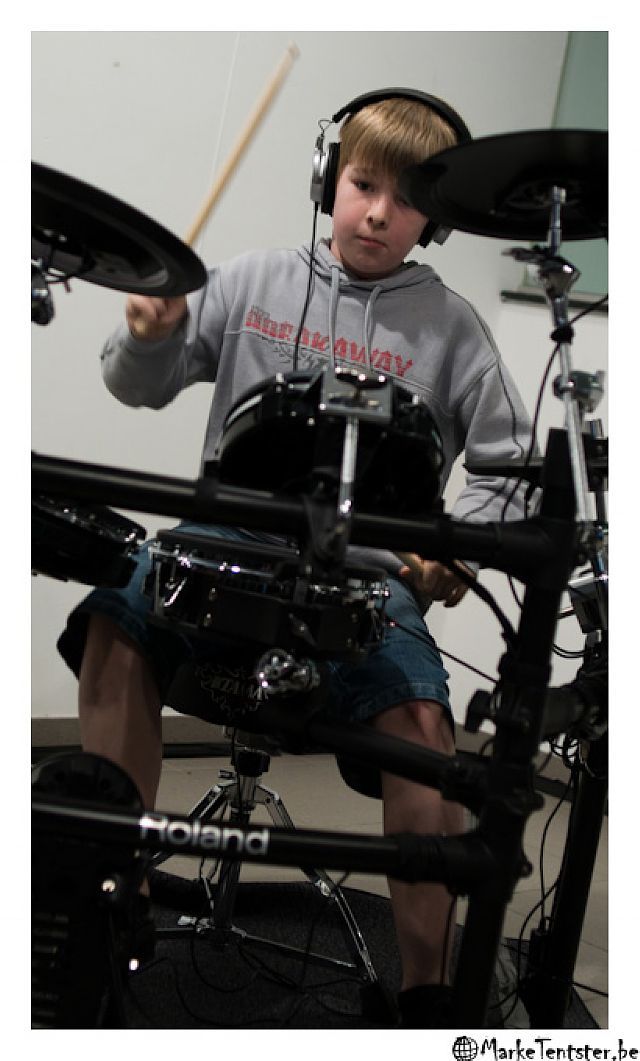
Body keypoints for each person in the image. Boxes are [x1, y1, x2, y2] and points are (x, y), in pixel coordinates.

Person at [57, 91, 533, 1028]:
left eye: (406, 200)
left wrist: (453, 554)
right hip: (221, 544)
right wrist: (147, 334)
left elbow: (510, 468)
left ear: (434, 219)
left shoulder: (454, 329)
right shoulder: (254, 279)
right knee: (117, 620)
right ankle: (114, 913)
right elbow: (136, 384)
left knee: (422, 719)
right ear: (328, 181)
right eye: (362, 185)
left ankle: (427, 998)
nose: (377, 214)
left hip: (367, 578)